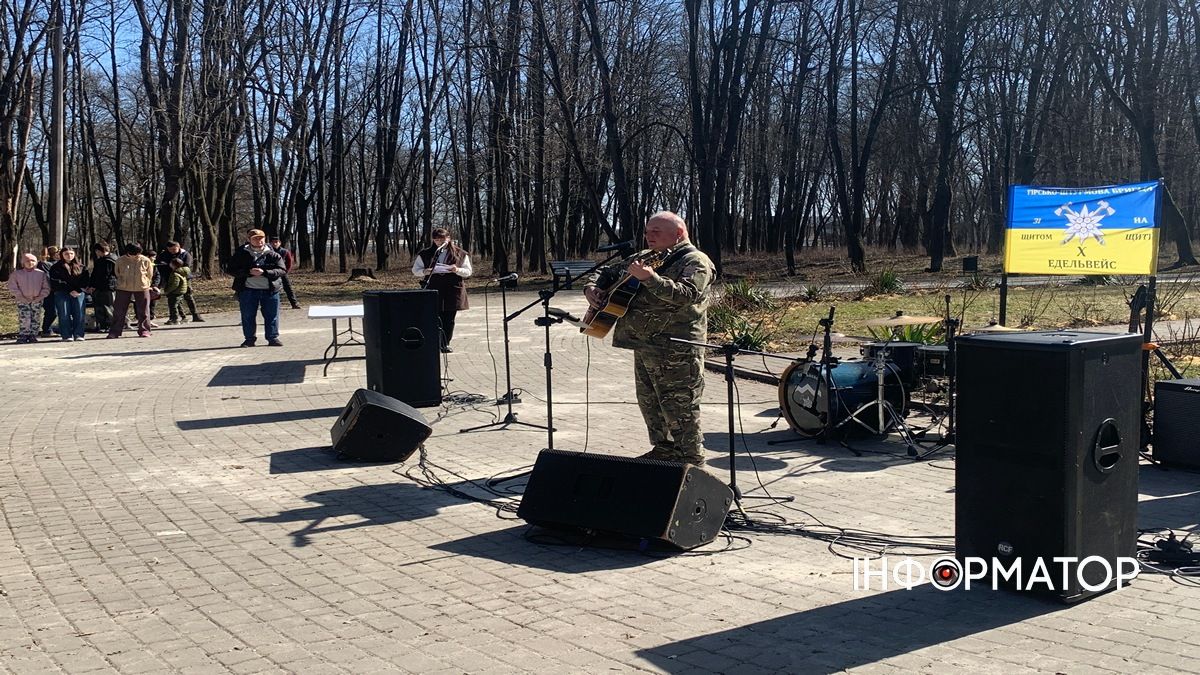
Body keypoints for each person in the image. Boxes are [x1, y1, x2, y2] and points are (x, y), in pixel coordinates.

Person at [583, 211, 715, 466]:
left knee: (681, 406)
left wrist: (651, 279)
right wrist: (591, 288)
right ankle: (664, 451)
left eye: (656, 231)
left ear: (678, 234)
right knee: (650, 403)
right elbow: (606, 272)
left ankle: (691, 460)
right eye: (647, 231)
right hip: (642, 344)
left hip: (676, 349)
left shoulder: (695, 260)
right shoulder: (645, 257)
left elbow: (688, 294)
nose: (648, 236)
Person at [411, 227, 473, 353]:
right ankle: (433, 343)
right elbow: (415, 270)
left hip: (453, 290)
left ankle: (445, 344)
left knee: (449, 319)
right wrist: (425, 271)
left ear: (448, 238)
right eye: (436, 239)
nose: (439, 242)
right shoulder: (426, 254)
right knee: (434, 318)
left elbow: (468, 272)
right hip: (434, 289)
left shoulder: (460, 253)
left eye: (442, 239)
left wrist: (457, 270)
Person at [228, 228, 287, 347]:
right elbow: (231, 270)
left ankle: (272, 338)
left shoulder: (273, 254)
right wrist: (248, 272)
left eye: (261, 238)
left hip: (270, 290)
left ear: (265, 239)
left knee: (272, 315)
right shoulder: (241, 254)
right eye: (255, 238)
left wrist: (264, 272)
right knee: (248, 315)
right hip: (247, 290)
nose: (259, 241)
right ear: (249, 240)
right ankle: (249, 339)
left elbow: (282, 270)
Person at [107, 243, 156, 338]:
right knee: (119, 311)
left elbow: (150, 274)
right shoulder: (120, 260)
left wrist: (145, 283)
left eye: (138, 253)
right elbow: (117, 273)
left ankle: (144, 330)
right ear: (128, 252)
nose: (137, 255)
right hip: (123, 288)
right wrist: (122, 281)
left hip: (142, 287)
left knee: (144, 310)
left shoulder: (145, 260)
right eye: (135, 253)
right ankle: (115, 331)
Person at [155, 241, 204, 322]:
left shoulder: (186, 254)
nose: (172, 251)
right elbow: (160, 265)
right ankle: (180, 316)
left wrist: (175, 269)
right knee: (174, 298)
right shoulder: (163, 255)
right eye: (170, 250)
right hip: (169, 278)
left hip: (185, 278)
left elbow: (187, 266)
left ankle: (195, 315)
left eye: (174, 249)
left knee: (188, 296)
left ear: (179, 247)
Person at [48, 247, 90, 341]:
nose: (69, 256)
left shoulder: (82, 267)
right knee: (64, 314)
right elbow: (56, 281)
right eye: (66, 254)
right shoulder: (56, 267)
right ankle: (66, 335)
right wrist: (70, 290)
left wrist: (78, 290)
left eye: (71, 253)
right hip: (62, 293)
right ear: (62, 255)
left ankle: (78, 334)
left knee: (79, 313)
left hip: (79, 293)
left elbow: (86, 280)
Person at [7, 252, 51, 343]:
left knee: (36, 317)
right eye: (27, 261)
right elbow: (13, 287)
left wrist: (40, 297)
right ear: (23, 262)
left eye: (33, 261)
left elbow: (46, 287)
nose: (30, 262)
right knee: (24, 317)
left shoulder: (41, 274)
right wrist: (21, 297)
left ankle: (33, 335)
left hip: (37, 300)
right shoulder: (16, 274)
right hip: (22, 300)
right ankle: (23, 334)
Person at [86, 242, 119, 333]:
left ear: (98, 251)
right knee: (104, 307)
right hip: (105, 287)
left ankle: (109, 325)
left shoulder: (107, 261)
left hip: (106, 287)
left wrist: (93, 286)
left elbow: (103, 276)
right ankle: (104, 325)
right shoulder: (111, 259)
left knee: (107, 307)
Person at [269, 236, 301, 309]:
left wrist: (285, 271)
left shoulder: (285, 251)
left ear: (280, 243)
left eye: (276, 242)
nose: (274, 244)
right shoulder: (268, 251)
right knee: (271, 288)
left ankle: (294, 303)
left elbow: (289, 263)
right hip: (272, 273)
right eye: (273, 242)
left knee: (288, 288)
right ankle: (270, 305)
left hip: (282, 272)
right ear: (270, 243)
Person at [38, 245, 59, 337]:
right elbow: (48, 278)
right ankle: (46, 329)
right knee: (52, 311)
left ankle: (47, 328)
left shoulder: (57, 263)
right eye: (58, 252)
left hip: (57, 291)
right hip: (50, 291)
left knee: (53, 311)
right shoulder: (45, 264)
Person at [162, 258, 190, 324]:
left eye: (171, 263)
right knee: (179, 305)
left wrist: (168, 290)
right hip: (180, 291)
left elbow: (175, 284)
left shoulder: (175, 274)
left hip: (175, 292)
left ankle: (175, 319)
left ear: (174, 265)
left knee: (173, 306)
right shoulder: (182, 272)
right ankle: (184, 317)